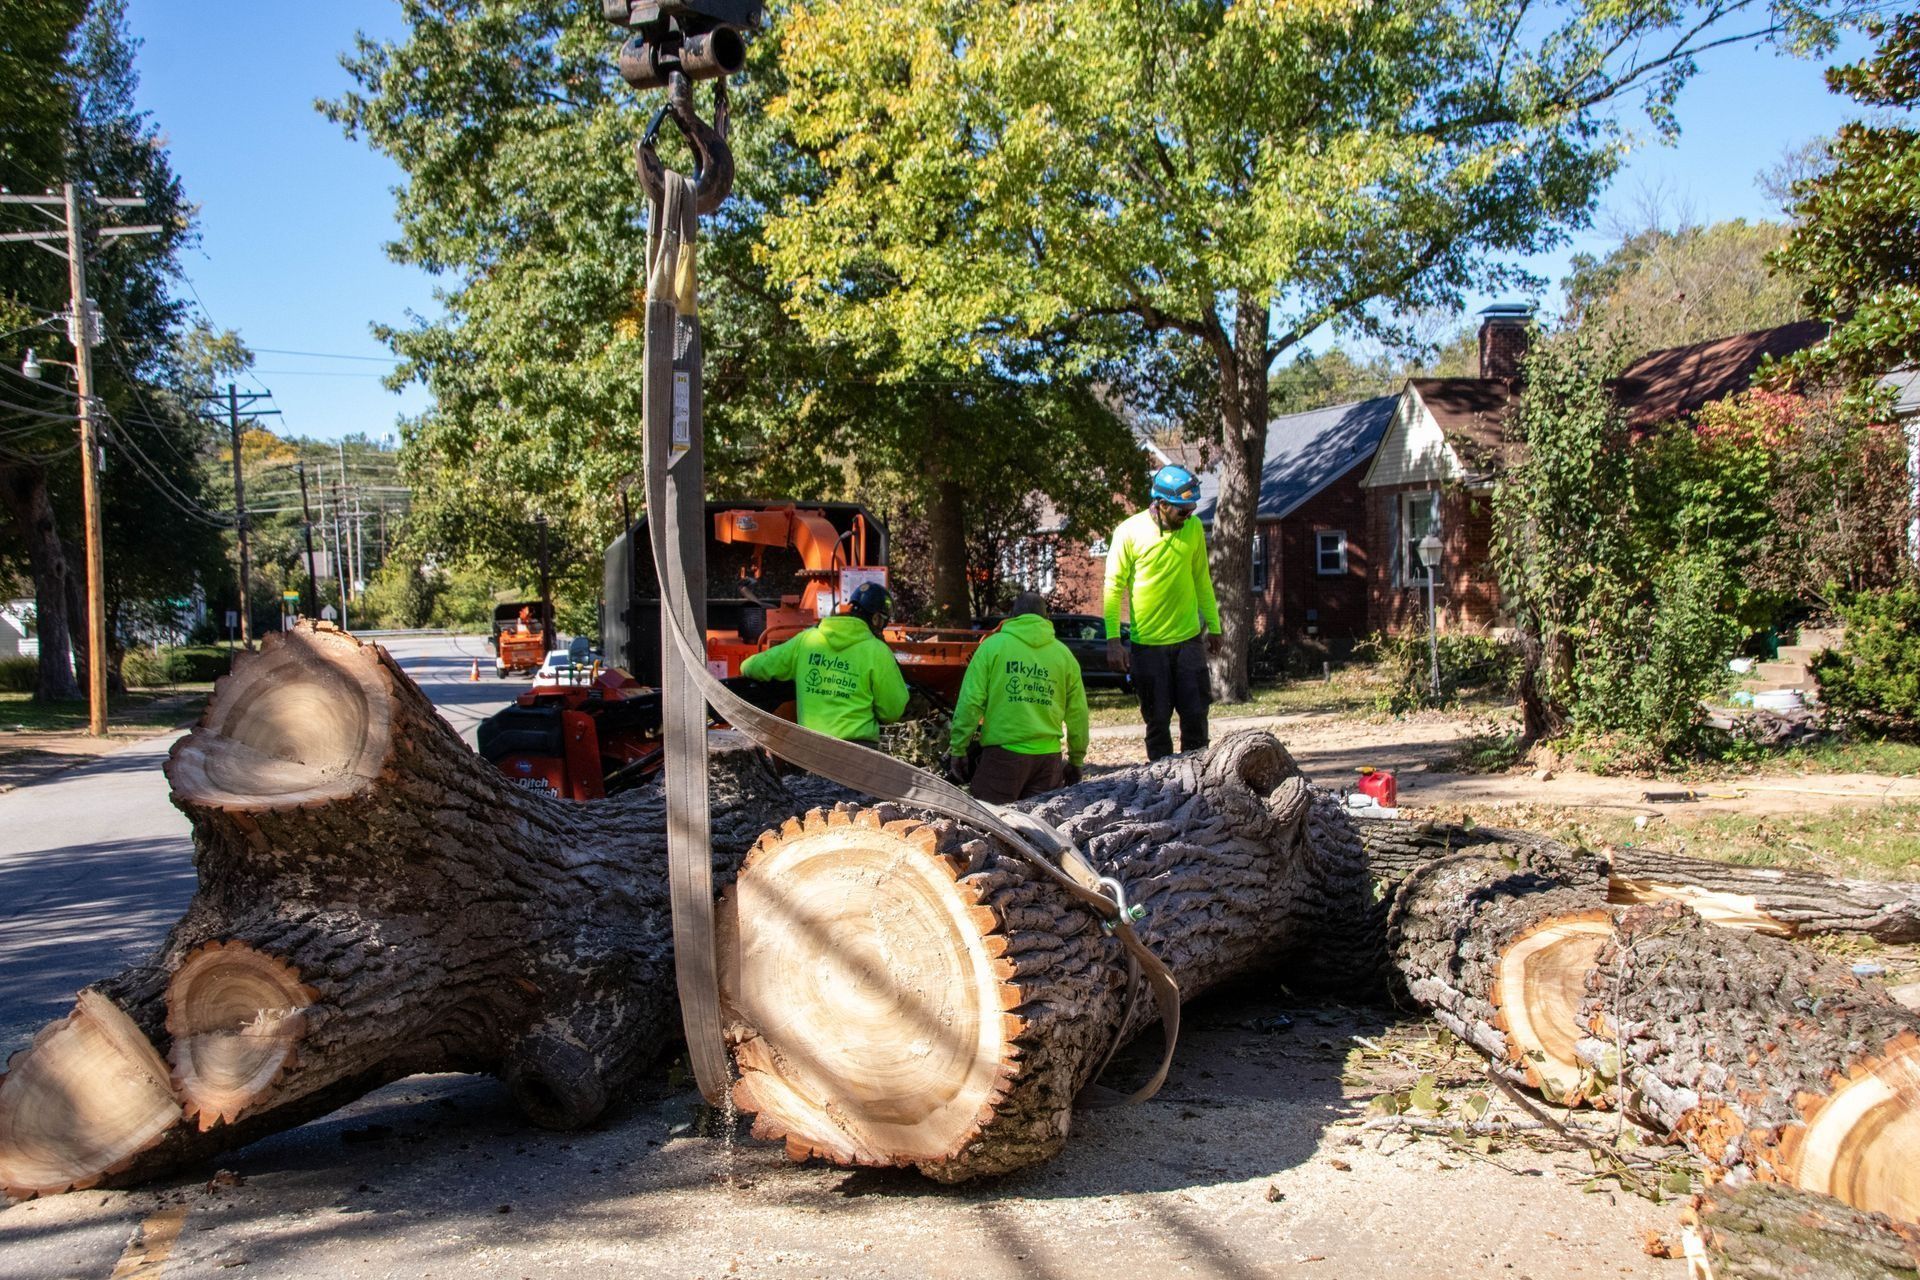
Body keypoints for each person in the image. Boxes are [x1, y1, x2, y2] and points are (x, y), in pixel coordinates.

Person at [1102, 463, 1222, 761]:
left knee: (1196, 716)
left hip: (1188, 642)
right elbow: (1113, 588)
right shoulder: (1128, 532)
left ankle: (1200, 788)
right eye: (1183, 509)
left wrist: (1215, 626)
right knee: (1157, 723)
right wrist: (1113, 640)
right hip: (1148, 647)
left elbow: (1201, 579)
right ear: (1162, 504)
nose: (1189, 514)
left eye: (1192, 508)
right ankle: (1162, 788)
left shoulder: (1193, 529)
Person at [946, 592, 1090, 802]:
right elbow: (1078, 713)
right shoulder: (1064, 656)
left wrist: (959, 748)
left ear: (1012, 616)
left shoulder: (991, 648)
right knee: (1038, 828)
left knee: (989, 825)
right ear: (1046, 618)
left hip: (1003, 758)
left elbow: (970, 702)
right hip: (1047, 761)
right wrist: (1076, 760)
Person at [740, 582, 909, 747]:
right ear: (877, 619)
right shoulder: (878, 651)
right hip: (859, 753)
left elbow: (751, 667)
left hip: (811, 750)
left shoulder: (806, 640)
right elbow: (892, 711)